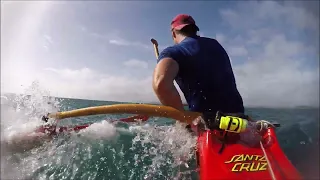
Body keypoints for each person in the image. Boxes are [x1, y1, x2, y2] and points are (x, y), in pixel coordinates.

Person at [152, 14, 244, 128]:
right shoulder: (215, 45)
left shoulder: (173, 52)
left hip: (207, 125)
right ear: (195, 30)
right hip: (239, 121)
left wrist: (182, 119)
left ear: (173, 33)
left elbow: (161, 84)